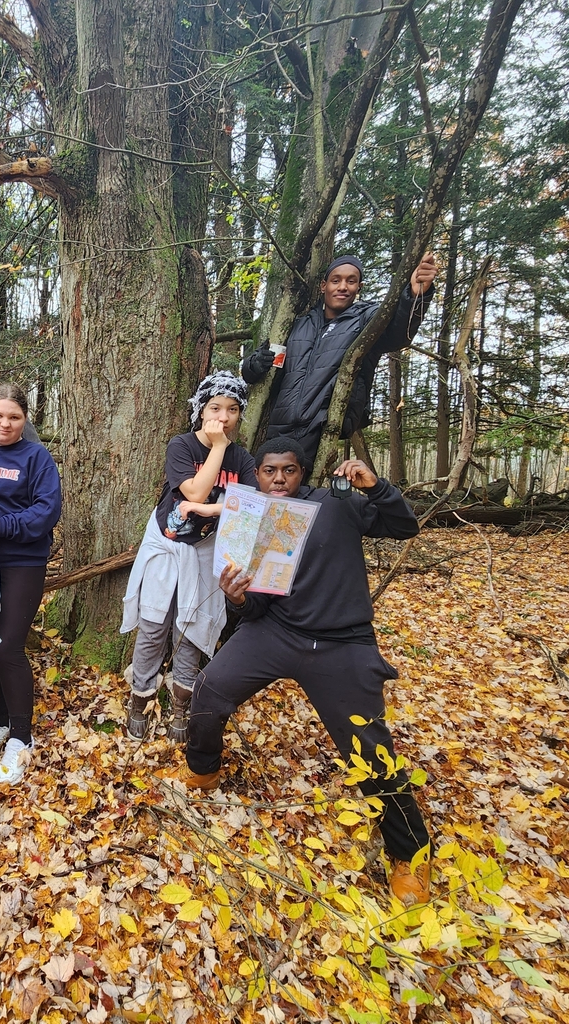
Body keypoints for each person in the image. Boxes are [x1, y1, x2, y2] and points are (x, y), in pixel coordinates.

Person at [180, 436, 432, 907]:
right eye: (270, 471)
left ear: (303, 474)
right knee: (209, 689)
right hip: (276, 632)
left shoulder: (335, 505)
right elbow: (255, 604)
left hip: (343, 641)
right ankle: (203, 769)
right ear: (257, 475)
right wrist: (236, 597)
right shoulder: (249, 519)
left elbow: (404, 526)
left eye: (289, 471)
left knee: (369, 747)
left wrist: (375, 486)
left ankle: (411, 854)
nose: (278, 479)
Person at [120, 371, 257, 742]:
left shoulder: (243, 459)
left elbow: (248, 508)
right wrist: (215, 449)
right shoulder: (182, 446)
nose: (223, 417)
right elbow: (194, 493)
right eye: (215, 407)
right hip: (167, 547)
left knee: (191, 629)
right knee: (153, 625)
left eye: (232, 409)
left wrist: (214, 512)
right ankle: (140, 697)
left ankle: (181, 701)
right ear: (201, 410)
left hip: (206, 550)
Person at [241, 254, 438, 470]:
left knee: (301, 493)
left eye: (351, 281)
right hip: (279, 425)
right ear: (324, 286)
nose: (343, 287)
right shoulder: (298, 324)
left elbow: (399, 333)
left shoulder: (367, 319)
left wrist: (415, 295)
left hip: (323, 426)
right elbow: (258, 371)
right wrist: (255, 364)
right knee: (271, 489)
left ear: (359, 286)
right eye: (336, 280)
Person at [0, 384, 61, 786]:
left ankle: (21, 738)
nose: (5, 423)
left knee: (9, 646)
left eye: (14, 417)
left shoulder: (37, 457)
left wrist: (2, 525)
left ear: (25, 420)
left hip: (23, 561)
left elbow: (47, 512)